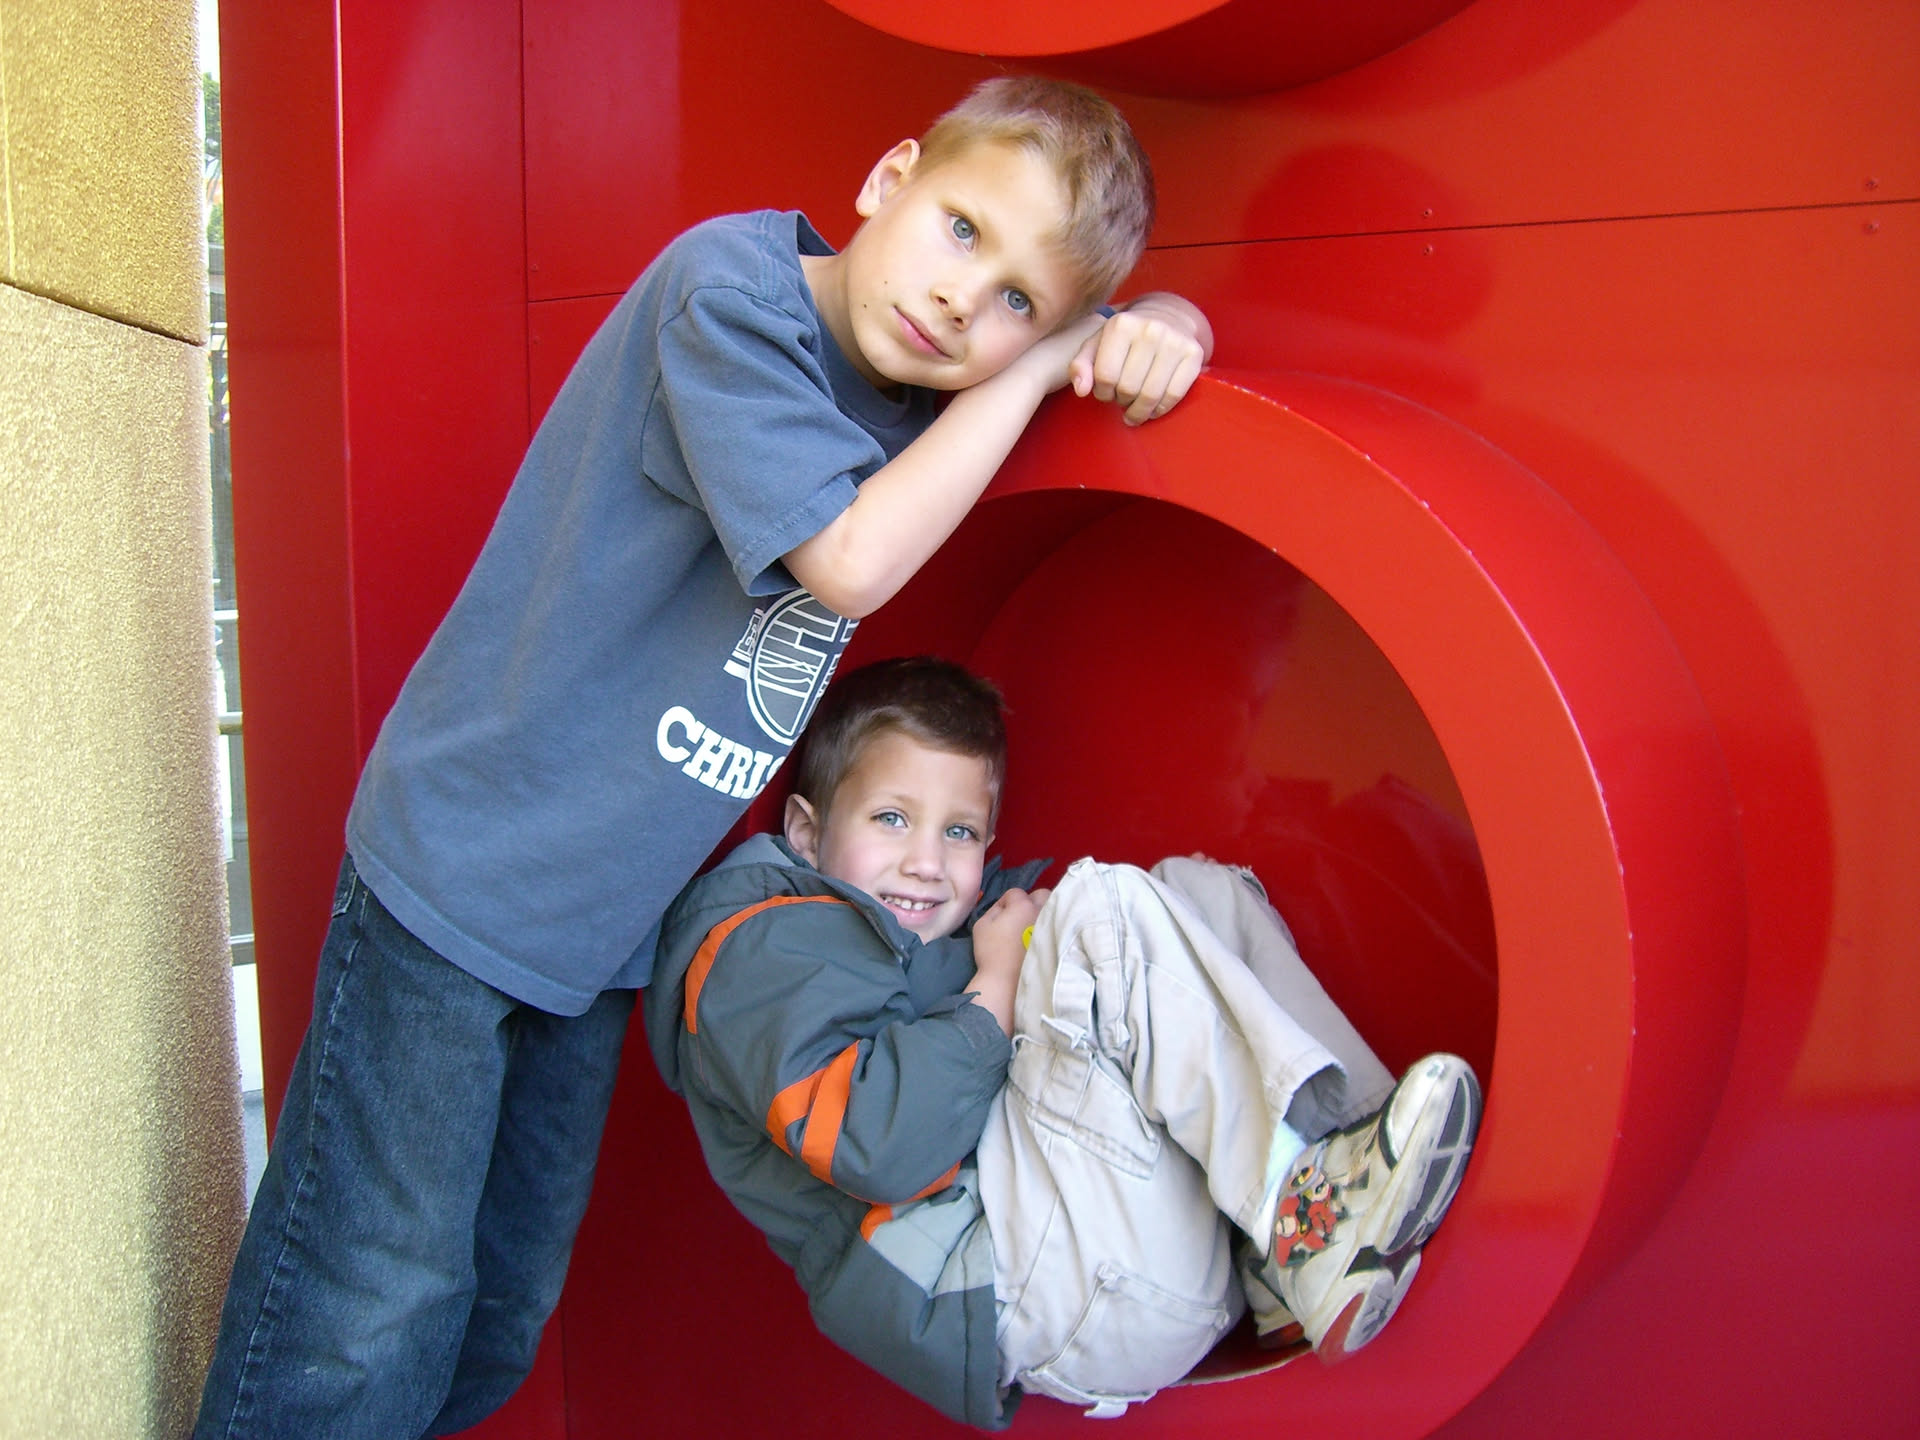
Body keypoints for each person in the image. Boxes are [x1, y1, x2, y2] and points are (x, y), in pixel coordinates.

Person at [194, 77, 1214, 1439]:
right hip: (471, 869)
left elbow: (1135, 333)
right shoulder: (733, 298)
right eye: (962, 229)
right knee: (369, 1297)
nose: (965, 299)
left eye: (1019, 298)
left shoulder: (927, 385)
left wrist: (1166, 324)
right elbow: (848, 561)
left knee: (496, 1309)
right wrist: (1038, 361)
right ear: (890, 177)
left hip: (604, 922)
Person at [646, 657, 1483, 1429]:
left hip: (1124, 1245)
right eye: (892, 819)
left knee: (1195, 894)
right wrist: (1001, 982)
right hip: (1022, 1286)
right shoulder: (761, 954)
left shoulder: (936, 927)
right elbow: (878, 1145)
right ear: (805, 831)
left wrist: (1033, 959)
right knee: (1100, 909)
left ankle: (1330, 1189)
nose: (927, 862)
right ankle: (1306, 1215)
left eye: (959, 832)